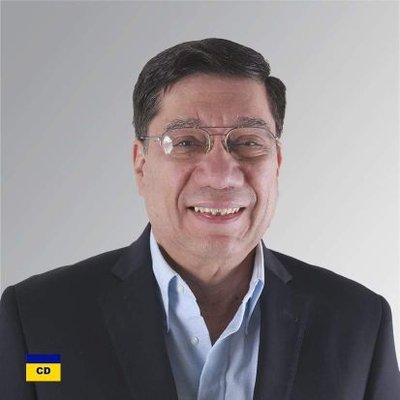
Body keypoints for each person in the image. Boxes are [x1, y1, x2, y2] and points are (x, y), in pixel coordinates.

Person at [0, 38, 399, 400]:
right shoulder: (36, 320)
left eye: (248, 142)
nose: (221, 175)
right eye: (187, 142)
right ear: (141, 164)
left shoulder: (360, 324)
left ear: (276, 163)